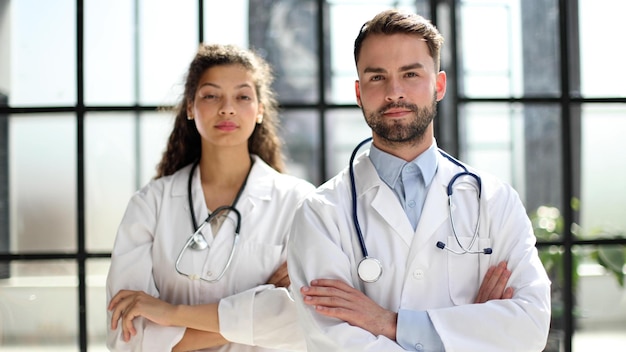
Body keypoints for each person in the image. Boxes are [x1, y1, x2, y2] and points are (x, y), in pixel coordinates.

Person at [287, 9, 551, 352]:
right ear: (358, 92)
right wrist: (471, 328)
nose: (394, 92)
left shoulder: (494, 201)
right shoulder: (321, 214)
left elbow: (528, 328)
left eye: (410, 74)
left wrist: (388, 323)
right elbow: (334, 342)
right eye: (377, 77)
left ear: (438, 85)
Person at [106, 43, 315, 352]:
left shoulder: (298, 201)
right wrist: (260, 303)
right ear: (190, 107)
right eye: (211, 95)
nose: (227, 108)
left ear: (259, 109)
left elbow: (305, 320)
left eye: (242, 96)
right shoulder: (151, 204)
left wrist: (169, 314)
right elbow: (127, 336)